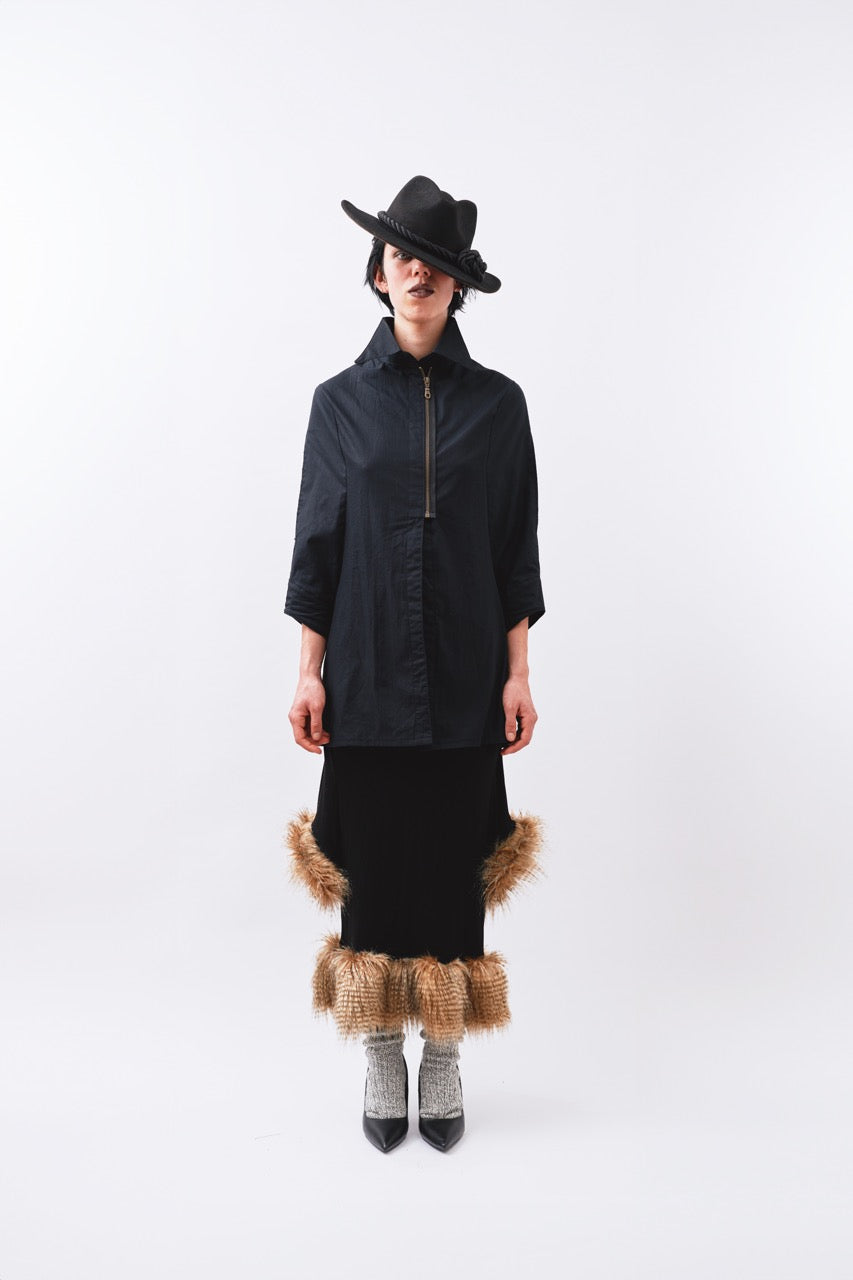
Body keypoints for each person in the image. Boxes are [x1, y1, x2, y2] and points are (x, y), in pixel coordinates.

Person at [283, 175, 546, 1154]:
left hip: (468, 672)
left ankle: (442, 1050)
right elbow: (316, 545)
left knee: (450, 864)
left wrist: (518, 673)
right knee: (375, 864)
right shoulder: (338, 404)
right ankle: (380, 1048)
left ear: (456, 285)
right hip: (363, 673)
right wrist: (308, 671)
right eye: (402, 257)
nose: (418, 274)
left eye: (434, 263)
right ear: (378, 273)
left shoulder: (500, 406)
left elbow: (515, 549)